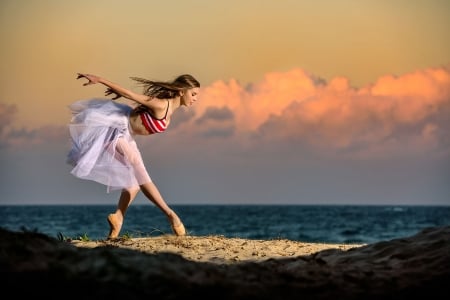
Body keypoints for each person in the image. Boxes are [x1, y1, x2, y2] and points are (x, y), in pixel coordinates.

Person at [67, 73, 200, 239]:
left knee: (134, 185)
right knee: (139, 169)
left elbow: (135, 105)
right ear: (181, 92)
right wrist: (101, 80)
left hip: (126, 136)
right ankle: (171, 215)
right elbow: (130, 94)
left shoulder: (168, 111)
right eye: (193, 94)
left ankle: (118, 219)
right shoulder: (160, 105)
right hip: (113, 131)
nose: (195, 98)